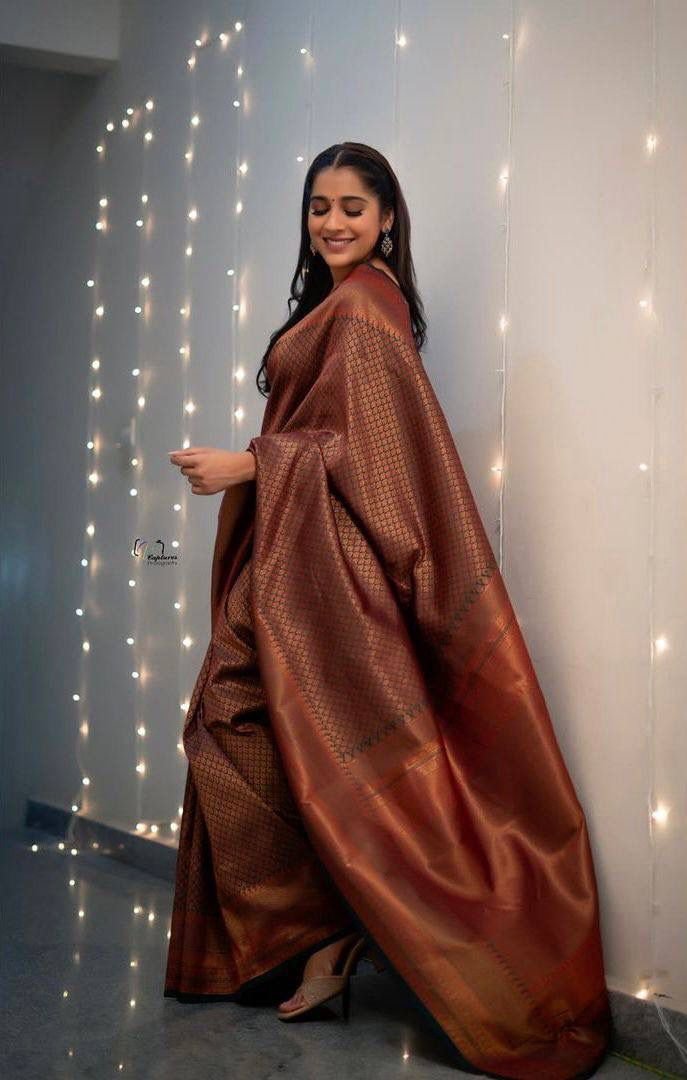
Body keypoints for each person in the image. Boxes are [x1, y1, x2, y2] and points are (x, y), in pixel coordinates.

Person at [165, 142, 612, 1080]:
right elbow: (335, 436)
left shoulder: (369, 308)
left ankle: (341, 932)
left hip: (328, 576)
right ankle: (324, 930)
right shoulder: (337, 306)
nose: (332, 222)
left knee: (245, 729)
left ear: (387, 218)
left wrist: (252, 464)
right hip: (289, 562)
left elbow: (377, 458)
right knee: (239, 729)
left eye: (351, 208)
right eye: (318, 206)